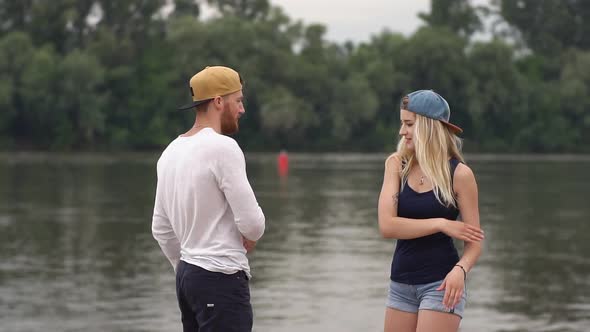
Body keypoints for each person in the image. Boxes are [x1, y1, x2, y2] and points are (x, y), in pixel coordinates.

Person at [151, 66, 265, 332]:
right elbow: (252, 223)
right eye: (238, 101)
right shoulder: (222, 147)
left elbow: (161, 228)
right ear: (218, 102)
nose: (242, 109)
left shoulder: (169, 152)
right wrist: (252, 234)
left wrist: (186, 266)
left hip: (188, 278)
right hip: (221, 276)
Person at [377, 90, 484, 332]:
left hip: (441, 285)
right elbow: (387, 226)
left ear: (428, 127)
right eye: (402, 123)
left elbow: (475, 242)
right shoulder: (396, 165)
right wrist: (441, 223)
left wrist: (460, 270)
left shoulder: (460, 175)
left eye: (409, 124)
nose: (402, 131)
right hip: (400, 286)